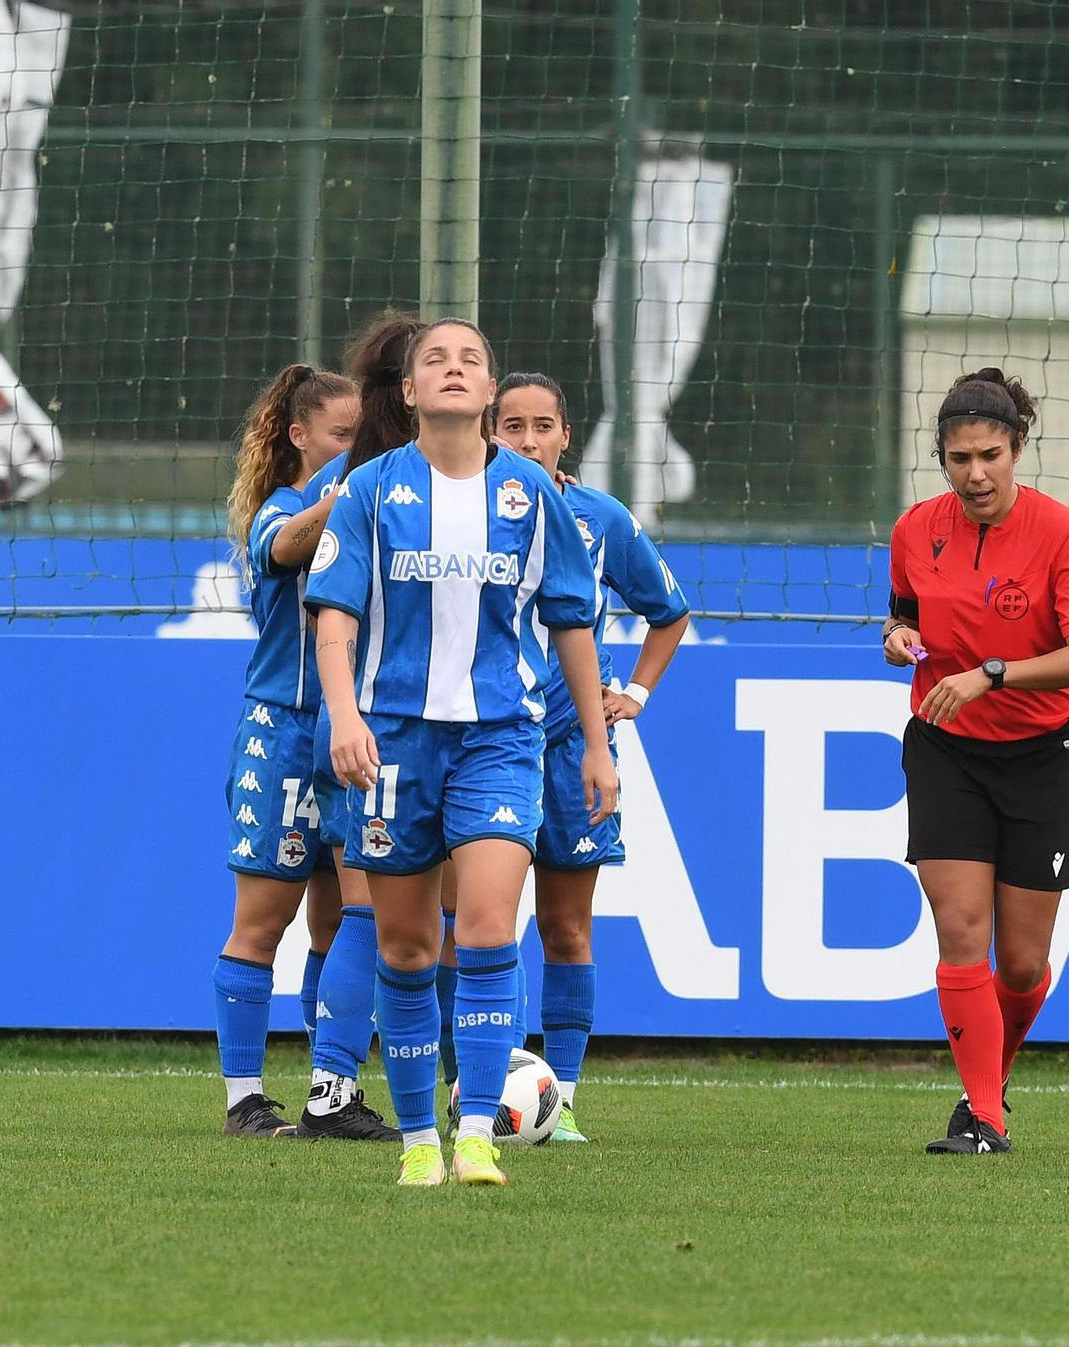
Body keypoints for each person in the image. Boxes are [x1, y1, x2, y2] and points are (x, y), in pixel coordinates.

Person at [307, 317, 618, 1187]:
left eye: (470, 360)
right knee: (405, 950)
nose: (452, 370)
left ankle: (476, 1132)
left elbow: (571, 622)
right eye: (434, 361)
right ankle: (417, 1143)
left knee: (485, 927)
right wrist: (342, 716)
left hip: (500, 740)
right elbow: (334, 612)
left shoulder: (531, 494)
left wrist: (596, 746)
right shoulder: (369, 489)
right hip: (392, 743)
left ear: (489, 392)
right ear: (408, 393)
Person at [884, 367, 1069, 1156]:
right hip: (945, 748)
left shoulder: (1064, 534)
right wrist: (898, 639)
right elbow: (905, 612)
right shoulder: (916, 528)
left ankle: (989, 1083)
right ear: (942, 459)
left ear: (1017, 447)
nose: (975, 473)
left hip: (1041, 756)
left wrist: (991, 675)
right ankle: (985, 1117)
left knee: (1021, 963)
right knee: (961, 930)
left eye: (989, 454)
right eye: (958, 458)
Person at [493, 372, 691, 1142]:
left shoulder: (597, 517)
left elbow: (668, 611)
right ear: (490, 431)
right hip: (489, 739)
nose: (529, 439)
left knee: (566, 930)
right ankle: (487, 1087)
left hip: (576, 743)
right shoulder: (469, 512)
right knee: (483, 925)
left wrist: (632, 695)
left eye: (544, 424)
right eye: (513, 425)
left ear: (567, 436)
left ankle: (560, 1101)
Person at [213, 363, 358, 1136]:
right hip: (286, 732)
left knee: (340, 928)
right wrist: (354, 485)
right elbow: (286, 547)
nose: (351, 449)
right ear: (300, 436)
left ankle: (328, 1090)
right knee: (262, 923)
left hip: (355, 733)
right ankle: (243, 1099)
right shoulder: (283, 508)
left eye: (360, 437)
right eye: (340, 435)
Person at [293, 312, 424, 1142]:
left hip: (372, 719)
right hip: (377, 723)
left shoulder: (355, 477)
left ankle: (355, 1081)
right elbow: (323, 609)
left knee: (388, 914)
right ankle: (332, 1088)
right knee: (370, 910)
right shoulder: (371, 484)